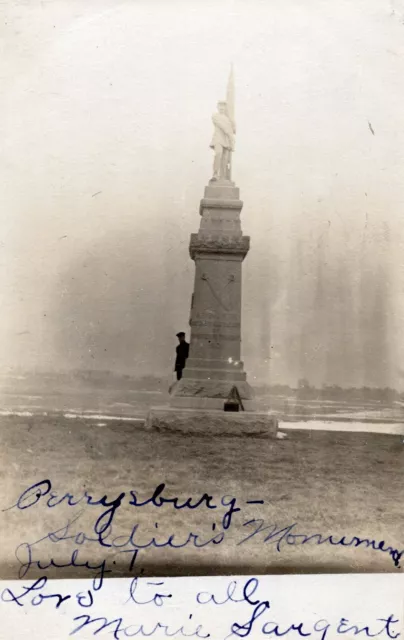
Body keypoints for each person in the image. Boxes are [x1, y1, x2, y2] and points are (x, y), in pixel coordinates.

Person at [210, 100, 236, 180]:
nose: (221, 108)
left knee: (225, 159)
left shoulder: (228, 119)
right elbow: (223, 127)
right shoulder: (215, 116)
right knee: (218, 153)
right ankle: (215, 174)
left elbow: (233, 130)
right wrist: (230, 133)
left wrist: (232, 142)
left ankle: (222, 177)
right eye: (220, 106)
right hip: (218, 139)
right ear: (217, 107)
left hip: (226, 140)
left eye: (223, 106)